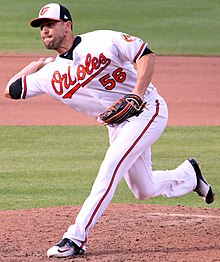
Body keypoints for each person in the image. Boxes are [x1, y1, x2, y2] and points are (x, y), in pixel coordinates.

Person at [4, 3, 215, 259]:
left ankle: (75, 238)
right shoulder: (48, 74)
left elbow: (146, 55)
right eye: (41, 27)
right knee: (143, 188)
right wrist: (34, 67)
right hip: (117, 125)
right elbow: (11, 90)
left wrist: (136, 94)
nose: (45, 31)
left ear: (67, 25)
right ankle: (189, 175)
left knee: (110, 167)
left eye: (50, 24)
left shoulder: (102, 40)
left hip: (147, 109)